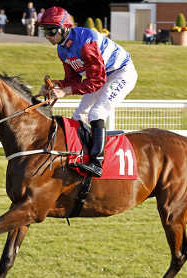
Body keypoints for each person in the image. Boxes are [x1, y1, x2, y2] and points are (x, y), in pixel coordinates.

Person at [36, 7, 138, 178]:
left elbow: (96, 81)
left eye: (50, 31)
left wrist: (66, 92)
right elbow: (73, 79)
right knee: (79, 115)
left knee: (97, 112)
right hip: (101, 76)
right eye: (44, 30)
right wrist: (55, 85)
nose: (47, 36)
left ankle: (97, 162)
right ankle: (80, 155)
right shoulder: (62, 48)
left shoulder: (86, 42)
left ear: (64, 28)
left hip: (121, 74)